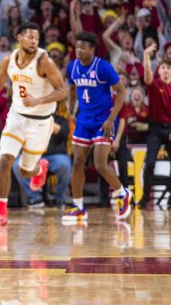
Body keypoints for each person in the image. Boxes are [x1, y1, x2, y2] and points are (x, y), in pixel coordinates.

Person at [0, 22, 68, 226]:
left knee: (26, 171)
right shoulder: (9, 60)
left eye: (37, 37)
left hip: (40, 123)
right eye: (30, 36)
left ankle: (39, 169)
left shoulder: (44, 62)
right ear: (19, 37)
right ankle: (1, 212)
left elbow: (62, 91)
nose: (34, 40)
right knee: (5, 160)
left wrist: (38, 101)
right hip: (16, 117)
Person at [64, 31, 131, 223]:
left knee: (100, 164)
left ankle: (121, 193)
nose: (78, 50)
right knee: (77, 162)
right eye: (77, 46)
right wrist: (70, 110)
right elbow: (71, 88)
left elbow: (121, 92)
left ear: (92, 49)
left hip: (103, 120)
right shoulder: (72, 67)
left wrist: (111, 119)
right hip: (84, 120)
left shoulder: (103, 67)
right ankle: (78, 207)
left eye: (83, 47)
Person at [12, 111, 71, 208]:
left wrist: (44, 121)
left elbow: (63, 133)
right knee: (17, 165)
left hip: (55, 157)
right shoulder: (28, 119)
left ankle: (60, 199)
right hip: (33, 156)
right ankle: (35, 198)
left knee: (64, 164)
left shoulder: (60, 119)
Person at [139, 45, 171, 208]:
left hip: (170, 128)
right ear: (158, 71)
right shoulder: (155, 84)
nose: (165, 70)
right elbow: (146, 76)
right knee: (150, 162)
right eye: (163, 68)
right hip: (156, 129)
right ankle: (145, 198)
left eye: (168, 68)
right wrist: (146, 56)